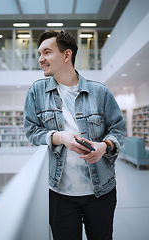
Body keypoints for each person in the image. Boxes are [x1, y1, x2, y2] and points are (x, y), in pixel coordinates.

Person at [23, 30, 126, 240]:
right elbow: (32, 131)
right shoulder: (36, 91)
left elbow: (118, 129)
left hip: (101, 191)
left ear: (66, 55)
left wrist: (104, 146)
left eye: (47, 52)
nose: (40, 59)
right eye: (39, 53)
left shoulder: (100, 91)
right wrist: (60, 137)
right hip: (60, 195)